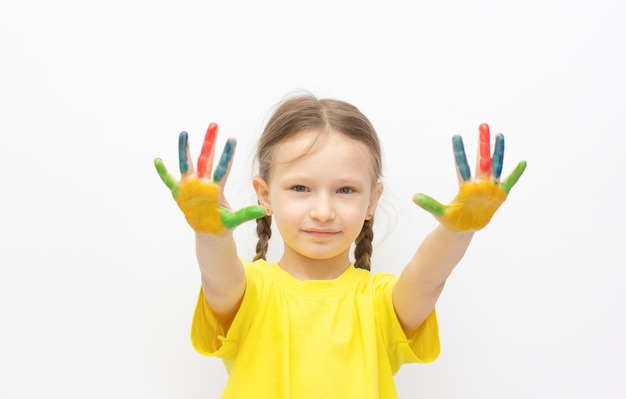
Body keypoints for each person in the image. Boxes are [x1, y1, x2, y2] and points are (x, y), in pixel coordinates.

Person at [154, 94, 526, 398]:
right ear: (265, 196)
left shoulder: (380, 302)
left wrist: (458, 231)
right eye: (300, 188)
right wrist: (210, 232)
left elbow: (427, 279)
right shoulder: (251, 291)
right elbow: (217, 278)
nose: (322, 211)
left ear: (371, 201)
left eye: (345, 190)